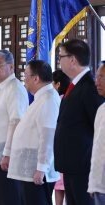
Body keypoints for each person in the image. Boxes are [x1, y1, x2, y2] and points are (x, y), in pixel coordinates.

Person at [54, 39, 104, 205]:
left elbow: (98, 128)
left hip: (83, 166)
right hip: (71, 165)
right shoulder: (75, 85)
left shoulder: (89, 88)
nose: (59, 61)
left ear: (73, 60)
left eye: (61, 57)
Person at [7, 60, 60, 205]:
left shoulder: (48, 99)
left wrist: (41, 168)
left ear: (36, 78)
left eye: (26, 76)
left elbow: (47, 136)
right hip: (30, 166)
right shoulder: (41, 97)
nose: (24, 79)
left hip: (37, 170)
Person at [0, 49, 28, 205]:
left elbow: (16, 122)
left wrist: (8, 153)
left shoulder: (15, 89)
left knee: (8, 198)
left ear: (11, 67)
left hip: (4, 156)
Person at [52, 69, 70, 205]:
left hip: (60, 146)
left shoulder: (59, 100)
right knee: (61, 183)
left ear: (57, 84)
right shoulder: (64, 99)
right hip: (62, 146)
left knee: (60, 182)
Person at [88, 61, 105, 205]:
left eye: (102, 77)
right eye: (97, 77)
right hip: (98, 183)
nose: (97, 82)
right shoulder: (101, 109)